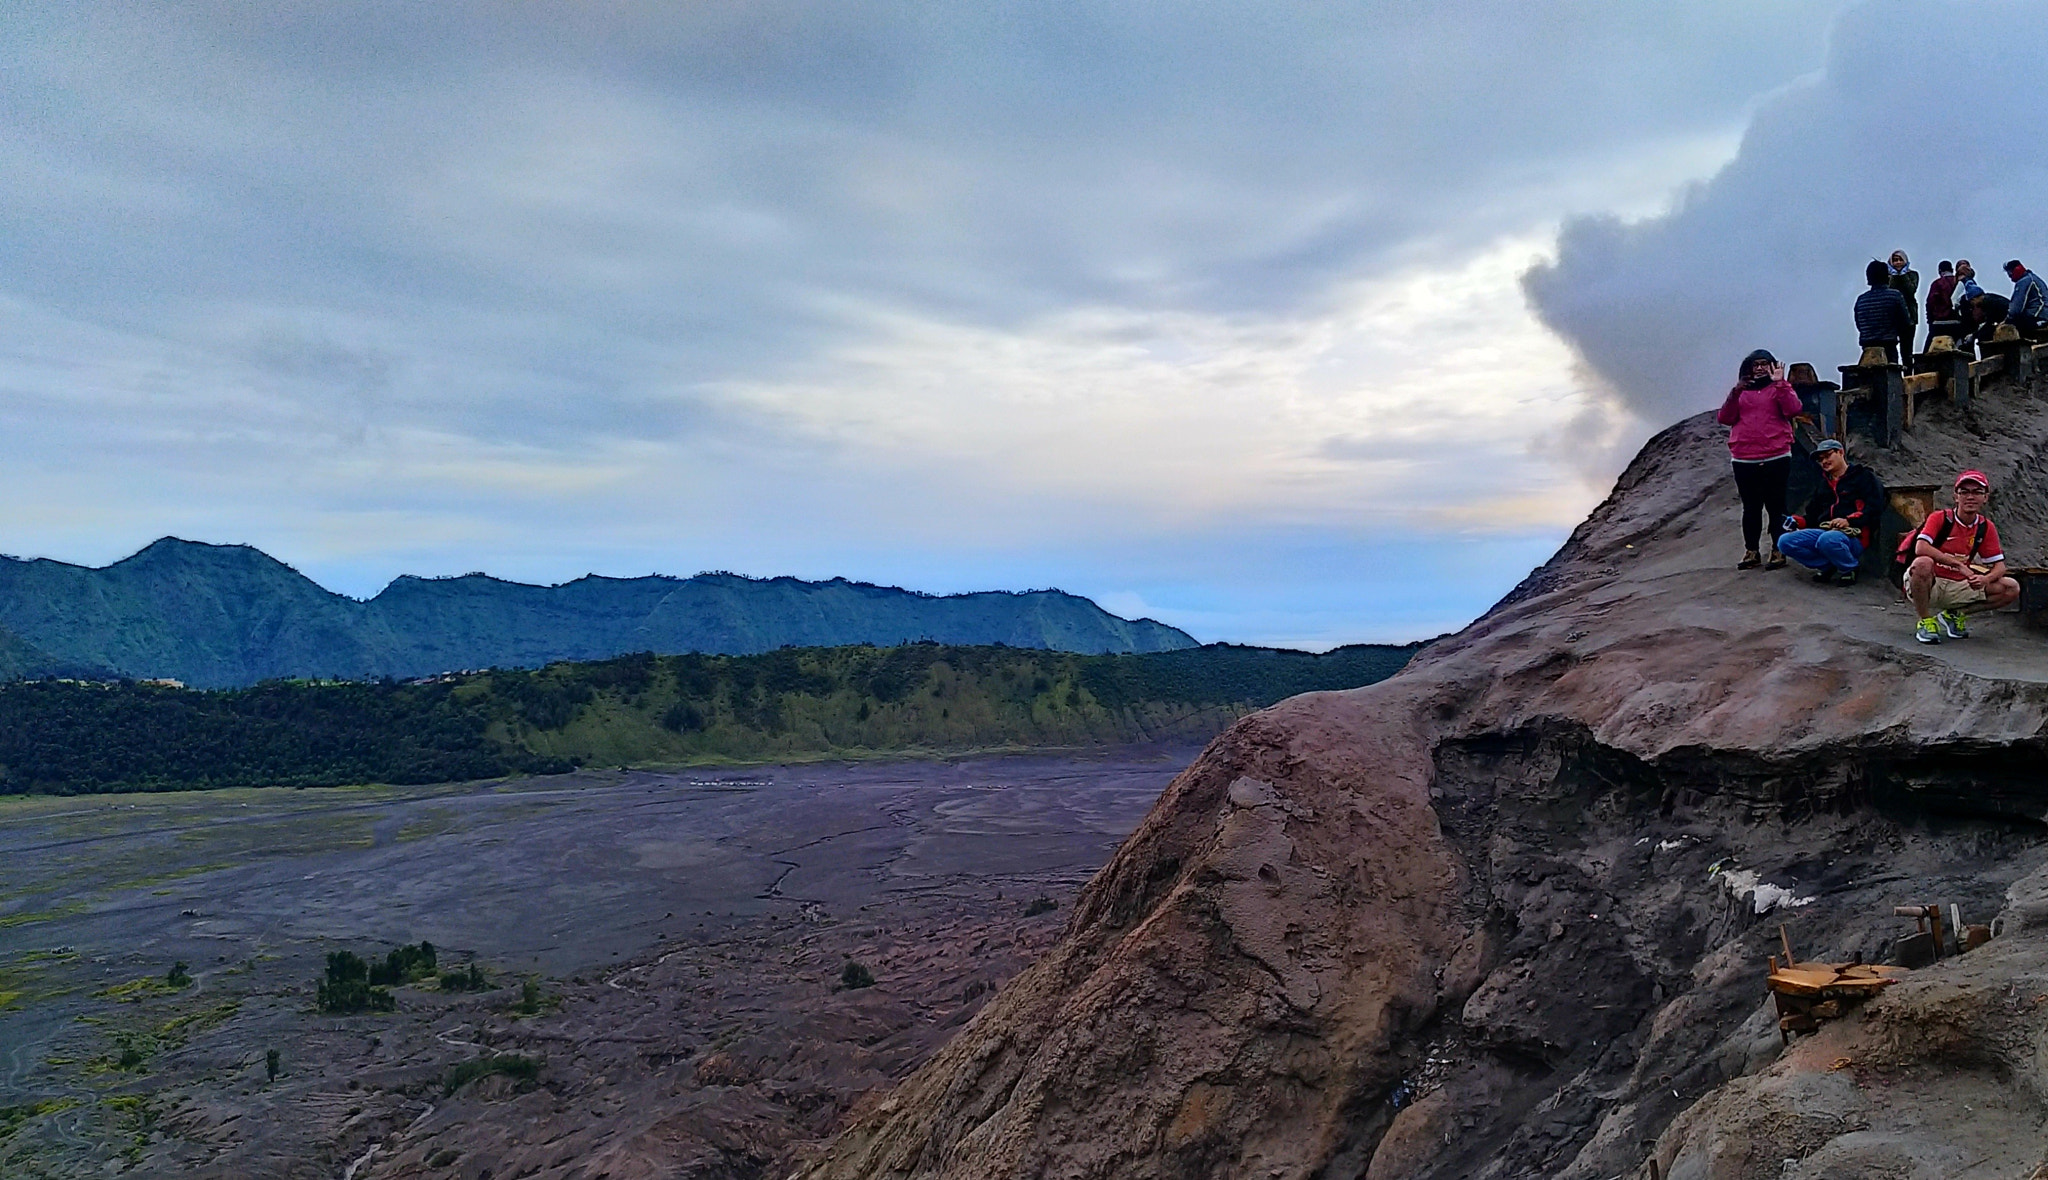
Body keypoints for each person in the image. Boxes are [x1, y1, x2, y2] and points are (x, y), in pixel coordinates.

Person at [1904, 469, 2019, 644]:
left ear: (1985, 497)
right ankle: (1925, 620)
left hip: (1959, 585)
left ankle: (1954, 616)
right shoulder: (1940, 518)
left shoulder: (1985, 527)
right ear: (1956, 496)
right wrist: (1958, 565)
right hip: (1931, 582)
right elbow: (1921, 547)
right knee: (1922, 563)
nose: (1970, 497)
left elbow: (2000, 566)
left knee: (2011, 587)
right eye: (1964, 492)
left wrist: (1985, 579)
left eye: (1977, 492)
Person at [1717, 348, 1803, 570]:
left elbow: (1793, 409)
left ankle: (1779, 549)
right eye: (1755, 364)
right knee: (1751, 507)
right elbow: (1725, 417)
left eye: (1764, 363)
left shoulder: (1779, 388)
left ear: (1772, 365)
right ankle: (1751, 551)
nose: (1760, 368)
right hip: (1745, 458)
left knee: (1777, 505)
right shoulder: (1741, 391)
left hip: (1776, 455)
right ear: (1748, 368)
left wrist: (1781, 384)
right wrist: (1735, 392)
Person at [1777, 440, 1884, 585]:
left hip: (1854, 535)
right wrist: (1797, 521)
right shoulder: (1823, 483)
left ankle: (1849, 568)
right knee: (1784, 542)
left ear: (1841, 452)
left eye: (1828, 456)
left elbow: (1874, 507)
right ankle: (1828, 565)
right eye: (1820, 459)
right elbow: (1812, 515)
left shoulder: (1863, 477)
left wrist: (1848, 521)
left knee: (1828, 539)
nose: (1824, 462)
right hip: (1825, 532)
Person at [1855, 259, 1912, 363]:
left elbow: (1859, 325)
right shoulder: (1895, 296)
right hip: (1889, 346)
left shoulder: (1861, 300)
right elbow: (1905, 324)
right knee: (1892, 376)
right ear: (1887, 276)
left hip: (1867, 348)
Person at [1787, 362, 1839, 440]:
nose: (1801, 376)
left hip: (1819, 430)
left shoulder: (1823, 390)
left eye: (1804, 372)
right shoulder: (1786, 392)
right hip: (1795, 431)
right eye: (1798, 372)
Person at [1889, 251, 1920, 369]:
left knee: (1907, 350)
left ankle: (1908, 374)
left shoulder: (1913, 275)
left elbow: (1911, 290)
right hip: (1893, 318)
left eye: (1900, 260)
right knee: (1892, 349)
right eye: (1895, 260)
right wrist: (1894, 276)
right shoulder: (1888, 276)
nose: (1897, 263)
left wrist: (1903, 275)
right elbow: (1890, 290)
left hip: (1909, 317)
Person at [1924, 260, 1963, 352]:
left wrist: (1930, 321)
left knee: (1928, 353)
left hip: (1939, 324)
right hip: (1957, 323)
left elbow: (1930, 303)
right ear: (1952, 270)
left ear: (1939, 271)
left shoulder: (1936, 284)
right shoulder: (1959, 283)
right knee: (1959, 351)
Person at [2005, 260, 2048, 335]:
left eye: (2010, 275)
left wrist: (2006, 320)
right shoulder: (2033, 278)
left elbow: (2016, 308)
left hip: (2038, 316)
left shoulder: (2024, 281)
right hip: (2043, 315)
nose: (2011, 278)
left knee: (2012, 328)